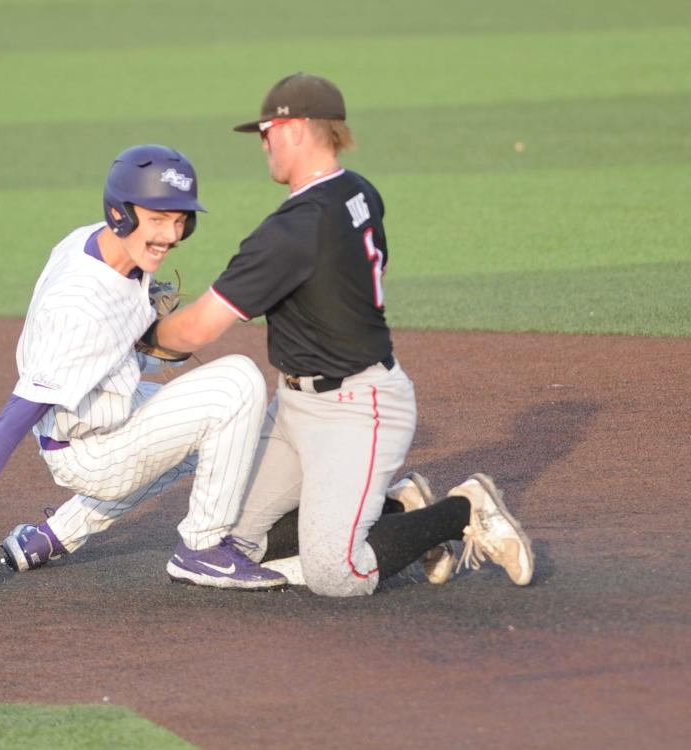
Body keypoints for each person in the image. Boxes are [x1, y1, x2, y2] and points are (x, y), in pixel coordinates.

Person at [141, 73, 535, 596]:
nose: (263, 144)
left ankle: (463, 508)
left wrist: (141, 334)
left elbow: (197, 328)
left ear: (297, 128)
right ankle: (396, 505)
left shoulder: (290, 231)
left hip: (358, 409)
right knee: (226, 537)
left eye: (267, 131)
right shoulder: (359, 191)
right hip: (294, 407)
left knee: (335, 573)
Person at [0, 144, 287, 591]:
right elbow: (17, 412)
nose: (171, 235)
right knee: (236, 384)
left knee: (226, 434)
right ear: (121, 214)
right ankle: (201, 549)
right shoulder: (79, 308)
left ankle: (53, 536)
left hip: (103, 403)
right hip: (87, 449)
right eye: (158, 219)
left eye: (180, 221)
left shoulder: (99, 242)